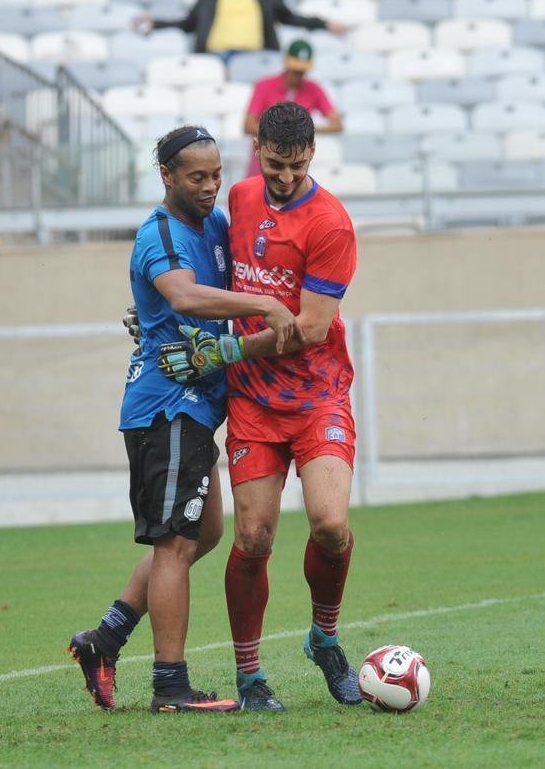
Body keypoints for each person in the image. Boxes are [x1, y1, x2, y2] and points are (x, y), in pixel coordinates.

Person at [68, 125, 301, 714]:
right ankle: (170, 685)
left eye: (216, 174)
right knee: (175, 543)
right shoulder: (160, 232)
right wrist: (266, 305)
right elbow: (184, 297)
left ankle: (106, 638)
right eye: (196, 176)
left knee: (207, 533)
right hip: (165, 406)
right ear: (167, 176)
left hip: (196, 406)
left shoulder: (216, 228)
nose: (210, 186)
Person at [158, 102, 362, 712]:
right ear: (258, 150)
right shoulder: (240, 200)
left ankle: (324, 637)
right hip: (254, 400)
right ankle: (250, 678)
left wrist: (226, 349)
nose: (285, 178)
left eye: (297, 166)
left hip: (316, 392)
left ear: (311, 157)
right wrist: (156, 315)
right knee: (252, 535)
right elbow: (205, 275)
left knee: (330, 524)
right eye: (275, 165)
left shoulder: (330, 224)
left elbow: (313, 327)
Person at [133, 0, 346, 58]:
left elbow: (289, 17)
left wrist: (324, 23)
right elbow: (189, 23)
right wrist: (156, 23)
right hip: (216, 56)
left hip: (255, 55)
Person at [243, 39, 342, 178]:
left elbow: (337, 124)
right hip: (265, 163)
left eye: (302, 71)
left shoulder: (314, 89)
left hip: (296, 166)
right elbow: (248, 126)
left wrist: (302, 131)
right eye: (295, 69)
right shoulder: (264, 86)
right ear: (285, 62)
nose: (298, 74)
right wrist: (290, 132)